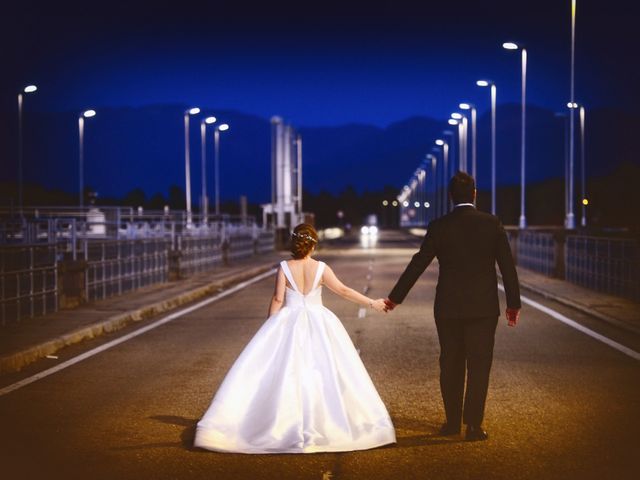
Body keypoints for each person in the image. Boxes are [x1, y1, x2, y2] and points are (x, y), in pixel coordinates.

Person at [194, 223, 396, 453]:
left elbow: (278, 299)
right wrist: (372, 303)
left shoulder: (284, 267)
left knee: (286, 372)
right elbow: (343, 291)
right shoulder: (321, 268)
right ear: (313, 244)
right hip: (319, 321)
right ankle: (328, 421)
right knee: (325, 370)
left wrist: (270, 328)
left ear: (294, 243)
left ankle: (276, 421)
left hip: (288, 320)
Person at [384, 172, 521, 442]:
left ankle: (452, 422)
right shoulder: (492, 224)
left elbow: (419, 262)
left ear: (450, 197)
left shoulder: (439, 225)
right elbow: (507, 267)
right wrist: (513, 304)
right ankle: (474, 426)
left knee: (450, 364)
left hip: (448, 307)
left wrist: (395, 297)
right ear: (474, 194)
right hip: (483, 308)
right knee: (479, 366)